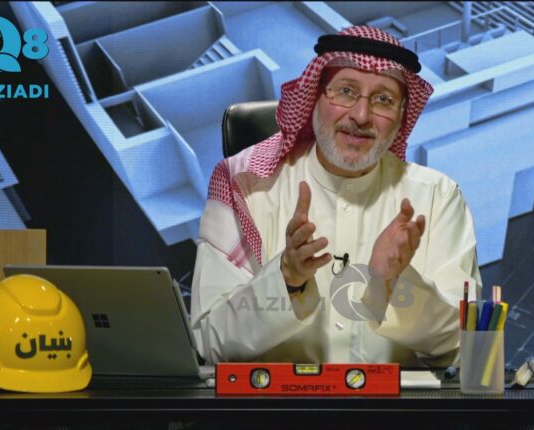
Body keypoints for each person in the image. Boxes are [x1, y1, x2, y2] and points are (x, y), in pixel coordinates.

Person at [190, 26, 481, 367]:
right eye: (345, 91)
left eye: (383, 100)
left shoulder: (437, 197)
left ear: (402, 116)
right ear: (314, 96)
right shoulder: (245, 185)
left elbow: (467, 343)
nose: (361, 116)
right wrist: (286, 278)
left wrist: (394, 286)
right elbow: (209, 341)